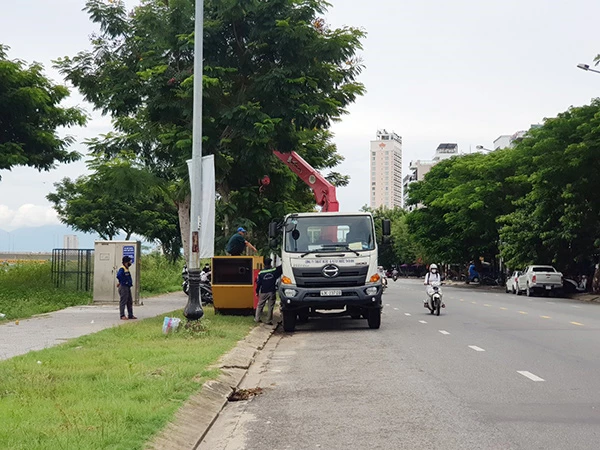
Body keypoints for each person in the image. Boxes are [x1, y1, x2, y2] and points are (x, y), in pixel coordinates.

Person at [255, 258, 282, 324]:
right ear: (270, 263)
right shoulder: (274, 271)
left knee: (260, 305)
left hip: (263, 291)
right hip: (271, 291)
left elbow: (258, 284)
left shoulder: (261, 273)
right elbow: (281, 268)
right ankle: (268, 320)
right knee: (270, 306)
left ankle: (257, 318)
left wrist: (257, 291)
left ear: (264, 264)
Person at [116, 256, 136, 320]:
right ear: (126, 262)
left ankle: (130, 315)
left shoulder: (126, 269)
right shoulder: (122, 269)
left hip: (127, 287)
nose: (130, 262)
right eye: (129, 261)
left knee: (129, 301)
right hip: (124, 287)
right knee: (123, 301)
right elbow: (119, 275)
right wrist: (123, 282)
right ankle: (122, 315)